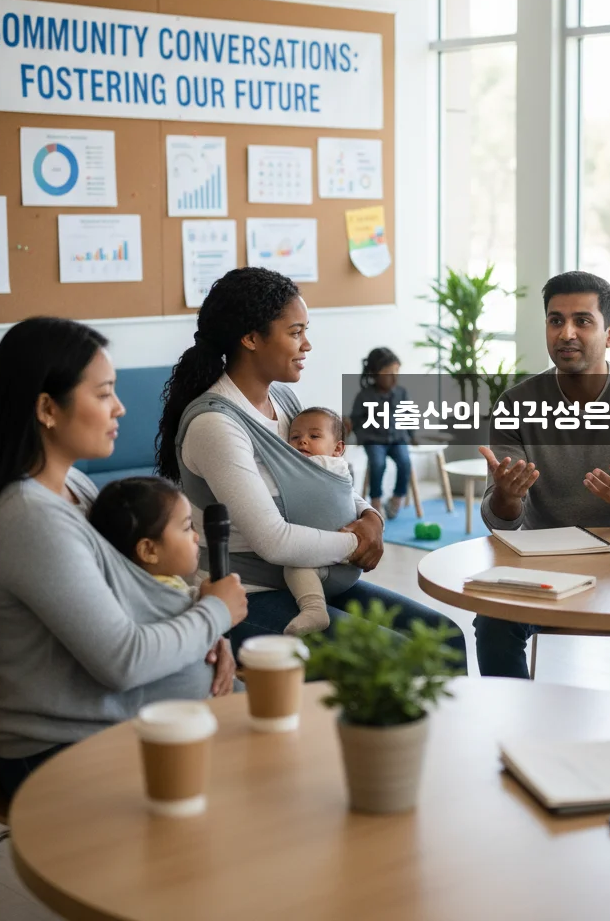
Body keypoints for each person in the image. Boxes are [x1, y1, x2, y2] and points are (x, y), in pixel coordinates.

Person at [0, 318, 247, 797]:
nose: (120, 407)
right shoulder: (30, 519)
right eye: (104, 393)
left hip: (117, 724)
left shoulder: (76, 488)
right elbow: (123, 661)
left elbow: (137, 598)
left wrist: (208, 636)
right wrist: (214, 614)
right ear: (47, 408)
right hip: (62, 751)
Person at [155, 267, 465, 662]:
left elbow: (325, 474)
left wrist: (371, 516)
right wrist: (357, 543)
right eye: (295, 332)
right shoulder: (216, 424)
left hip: (312, 581)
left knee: (445, 637)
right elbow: (273, 541)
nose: (307, 345)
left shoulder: (283, 401)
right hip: (251, 595)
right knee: (399, 657)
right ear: (251, 338)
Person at [475, 271, 610, 683]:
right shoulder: (516, 403)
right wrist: (507, 496)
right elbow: (499, 520)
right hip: (543, 564)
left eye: (582, 321)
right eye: (555, 320)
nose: (566, 333)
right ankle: (513, 718)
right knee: (493, 624)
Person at [280, 407, 356, 635]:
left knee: (294, 562)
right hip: (341, 561)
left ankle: (314, 609)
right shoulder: (330, 465)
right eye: (295, 437)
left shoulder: (325, 464)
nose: (302, 441)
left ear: (338, 449)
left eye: (314, 436)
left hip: (337, 557)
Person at [89, 476, 204, 596]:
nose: (196, 537)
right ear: (149, 550)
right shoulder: (160, 594)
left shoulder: (160, 581)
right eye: (186, 528)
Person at [348, 347, 411, 520]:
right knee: (377, 463)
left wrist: (411, 435)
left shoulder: (401, 392)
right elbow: (356, 419)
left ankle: (397, 498)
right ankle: (375, 501)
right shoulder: (364, 396)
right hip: (374, 440)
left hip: (397, 439)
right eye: (389, 373)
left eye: (397, 372)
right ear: (375, 374)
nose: (394, 377)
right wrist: (363, 437)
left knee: (405, 462)